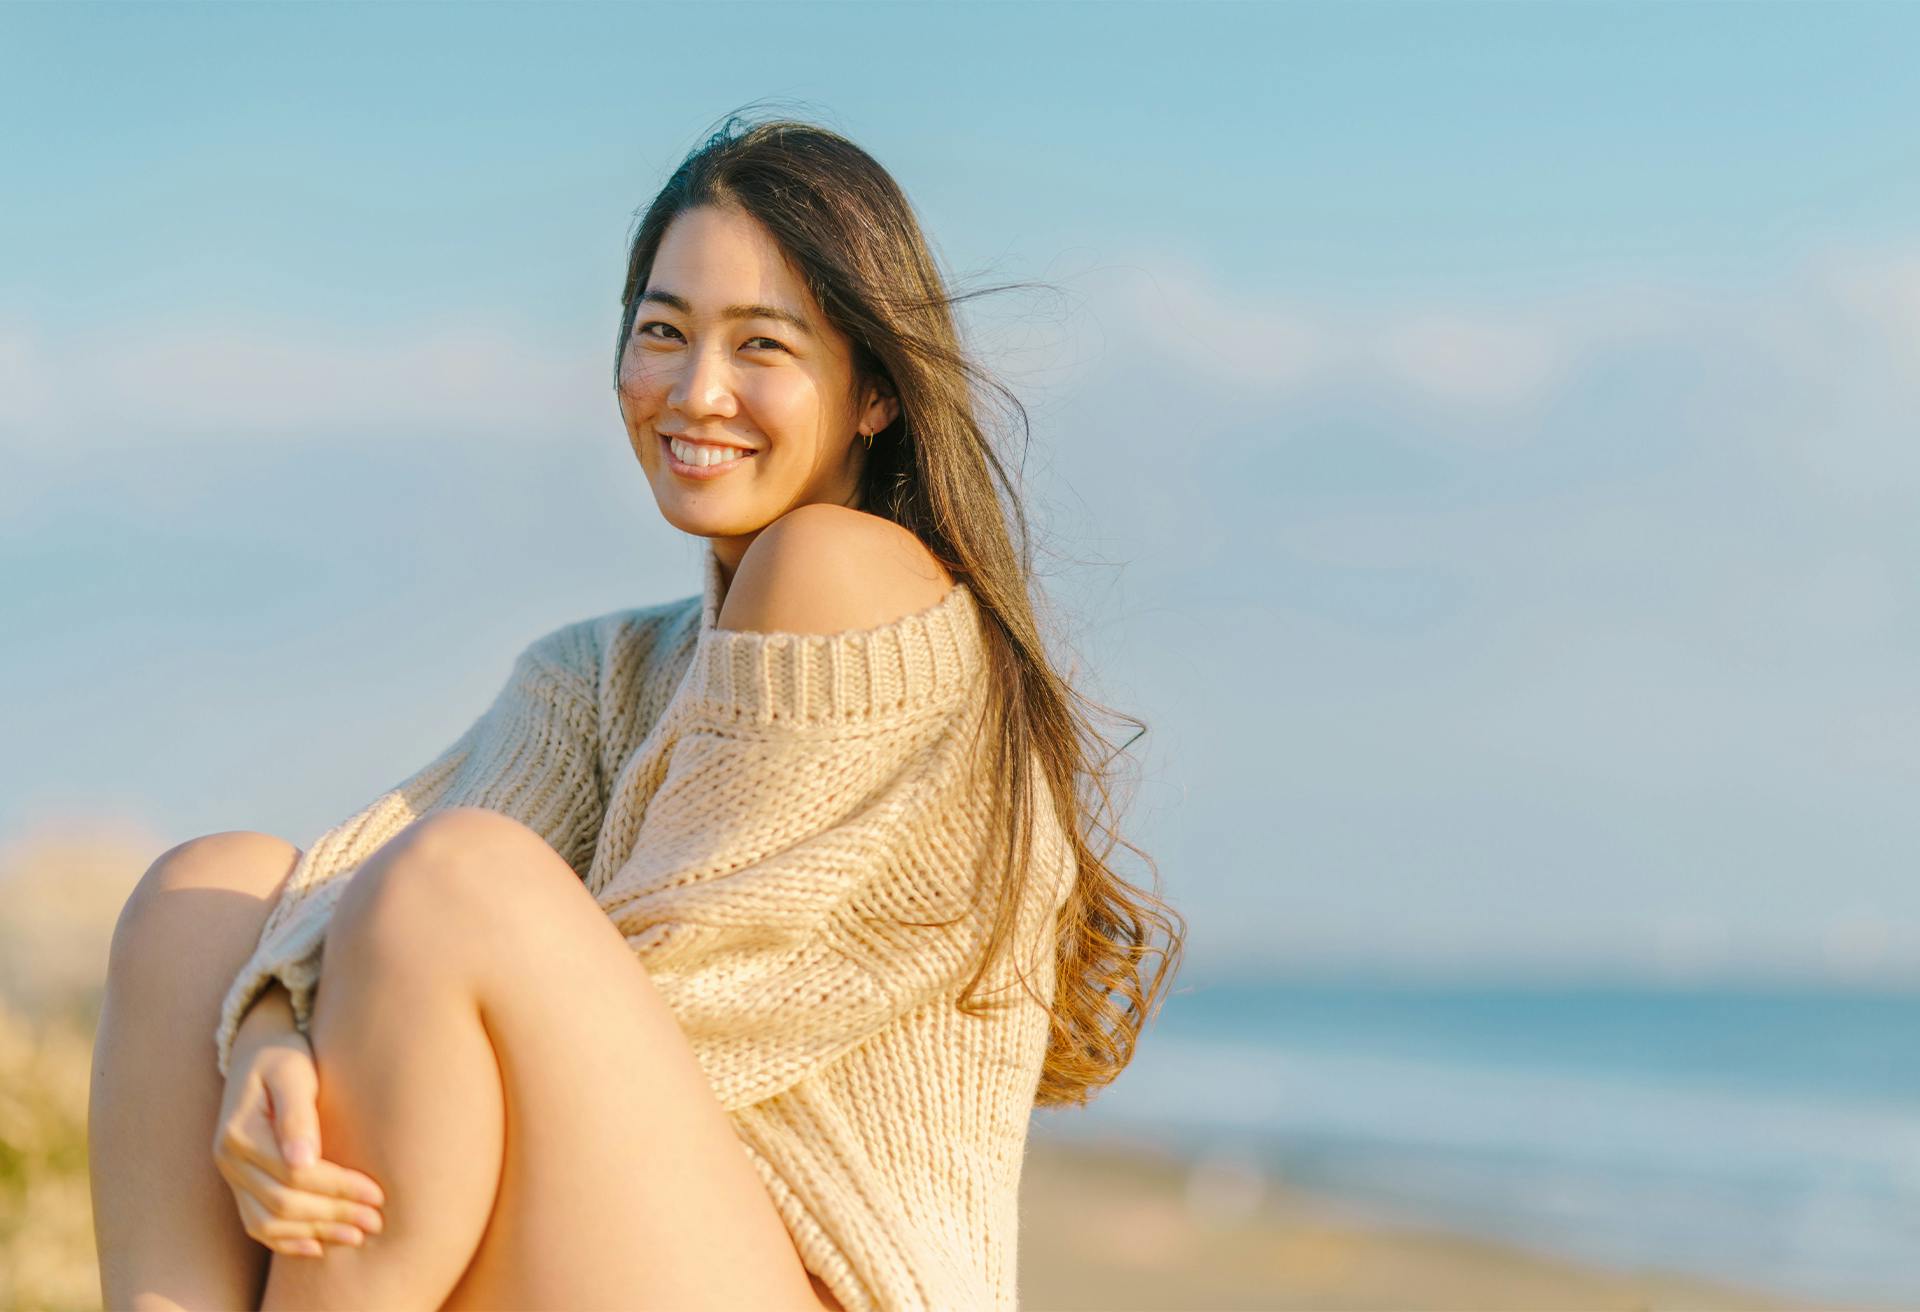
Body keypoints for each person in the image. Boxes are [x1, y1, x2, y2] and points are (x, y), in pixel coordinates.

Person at [89, 111, 1185, 1311]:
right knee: (208, 896)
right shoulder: (598, 671)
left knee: (460, 883)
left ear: (874, 390)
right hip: (621, 1242)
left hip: (817, 1283)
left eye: (762, 345)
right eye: (663, 332)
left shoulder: (850, 574)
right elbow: (343, 894)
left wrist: (326, 1035)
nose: (697, 391)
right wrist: (261, 1036)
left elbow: (667, 994)